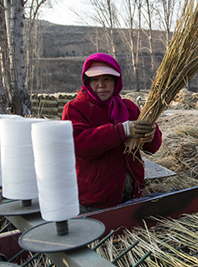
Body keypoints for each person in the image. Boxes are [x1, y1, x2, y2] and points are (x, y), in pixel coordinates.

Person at [62, 53, 162, 211]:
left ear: (117, 81)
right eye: (94, 80)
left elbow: (153, 147)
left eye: (106, 79)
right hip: (95, 200)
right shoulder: (75, 108)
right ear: (86, 81)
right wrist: (122, 130)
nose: (100, 85)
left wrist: (150, 135)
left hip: (132, 193)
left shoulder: (128, 107)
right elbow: (79, 145)